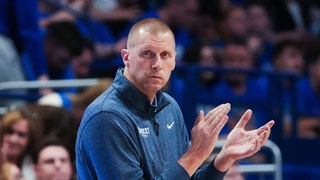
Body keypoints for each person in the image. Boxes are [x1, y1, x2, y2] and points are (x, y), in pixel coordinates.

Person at [75, 18, 274, 179]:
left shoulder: (169, 107)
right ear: (126, 57)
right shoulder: (106, 116)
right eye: (147, 54)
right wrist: (196, 153)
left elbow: (185, 175)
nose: (157, 64)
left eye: (165, 55)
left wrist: (224, 158)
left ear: (174, 62)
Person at [0, 107, 42, 180]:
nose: (13, 139)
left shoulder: (36, 167)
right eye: (10, 132)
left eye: (21, 135)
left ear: (30, 139)